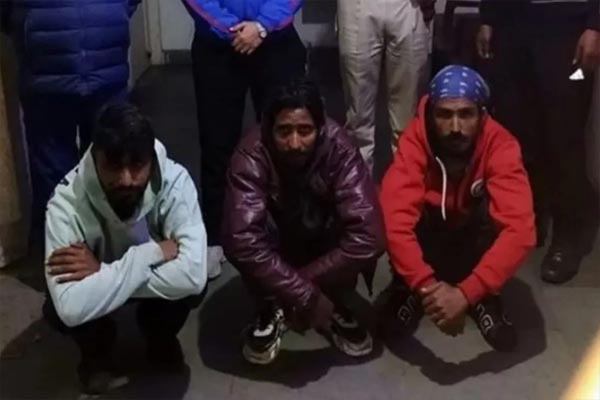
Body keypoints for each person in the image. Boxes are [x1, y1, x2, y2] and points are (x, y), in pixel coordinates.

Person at [42, 104, 208, 395]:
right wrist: (148, 255)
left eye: (137, 165)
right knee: (56, 308)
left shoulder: (176, 181)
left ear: (151, 160)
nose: (126, 179)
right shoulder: (65, 203)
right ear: (94, 157)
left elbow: (193, 276)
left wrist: (102, 272)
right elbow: (69, 307)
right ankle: (96, 354)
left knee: (193, 289)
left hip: (100, 277)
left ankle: (159, 336)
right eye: (113, 166)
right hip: (151, 269)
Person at [221, 79, 385, 365]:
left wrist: (299, 290)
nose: (294, 143)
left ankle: (324, 300)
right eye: (284, 131)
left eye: (304, 131)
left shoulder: (340, 148)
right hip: (277, 247)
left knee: (353, 225)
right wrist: (305, 294)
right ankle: (269, 306)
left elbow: (369, 236)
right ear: (268, 129)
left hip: (321, 246)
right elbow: (241, 239)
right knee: (250, 233)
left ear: (321, 129)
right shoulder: (251, 153)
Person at [380, 65, 536, 352]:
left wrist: (467, 293)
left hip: (473, 243)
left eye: (466, 114)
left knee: (496, 210)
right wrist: (427, 287)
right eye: (444, 115)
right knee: (396, 209)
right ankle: (406, 288)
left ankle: (485, 296)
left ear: (482, 115)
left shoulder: (501, 144)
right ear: (430, 114)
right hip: (430, 241)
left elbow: (521, 231)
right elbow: (393, 222)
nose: (455, 127)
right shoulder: (414, 140)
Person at [476, 0, 600, 283]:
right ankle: (524, 222)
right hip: (512, 22)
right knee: (515, 130)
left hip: (567, 23)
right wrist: (489, 16)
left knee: (564, 133)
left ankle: (567, 237)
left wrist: (596, 24)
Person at [182, 0, 307, 280]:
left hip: (276, 41)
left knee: (287, 141)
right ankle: (216, 236)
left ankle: (290, 232)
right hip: (216, 45)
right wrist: (231, 29)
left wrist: (262, 26)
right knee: (217, 142)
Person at [0, 0, 140, 244]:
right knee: (73, 170)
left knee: (104, 163)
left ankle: (80, 250)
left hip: (85, 57)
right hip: (55, 65)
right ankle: (84, 251)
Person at [337, 0, 434, 174]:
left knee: (408, 119)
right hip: (357, 4)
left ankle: (406, 184)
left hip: (410, 5)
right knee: (358, 120)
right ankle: (358, 186)